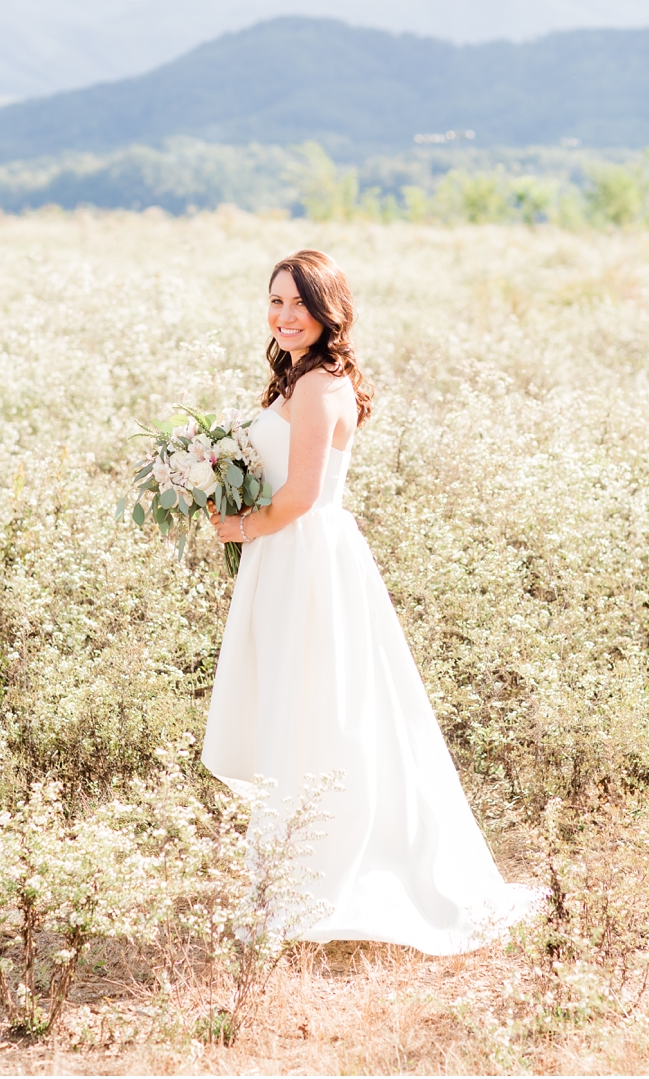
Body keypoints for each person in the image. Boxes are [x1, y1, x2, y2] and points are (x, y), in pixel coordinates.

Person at [201, 249, 540, 955]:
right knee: (300, 706)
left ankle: (328, 877)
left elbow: (300, 495)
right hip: (289, 558)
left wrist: (242, 527)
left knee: (322, 709)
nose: (285, 315)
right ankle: (293, 873)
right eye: (276, 302)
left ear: (329, 311)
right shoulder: (298, 378)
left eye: (300, 303)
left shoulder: (320, 385)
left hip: (307, 557)